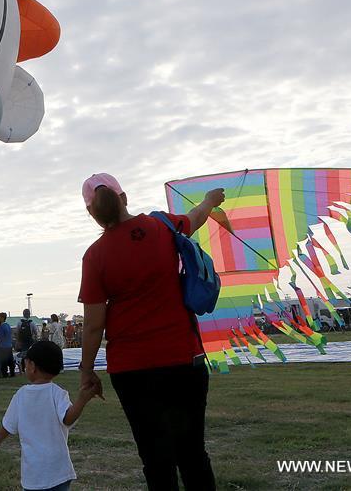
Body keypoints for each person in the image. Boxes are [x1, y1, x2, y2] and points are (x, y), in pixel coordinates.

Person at [78, 173, 224, 491]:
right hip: (183, 358)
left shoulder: (95, 256)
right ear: (124, 197)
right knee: (192, 453)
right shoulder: (162, 226)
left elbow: (92, 325)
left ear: (91, 213)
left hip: (132, 371)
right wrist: (210, 201)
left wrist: (86, 370)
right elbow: (195, 218)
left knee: (156, 458)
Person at [0, 341, 95, 491]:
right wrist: (82, 400)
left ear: (31, 366)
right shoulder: (57, 393)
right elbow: (68, 419)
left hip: (34, 474)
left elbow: (8, 425)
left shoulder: (21, 395)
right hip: (59, 470)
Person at [15, 309, 39, 373]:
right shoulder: (32, 322)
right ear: (29, 314)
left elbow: (17, 332)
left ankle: (23, 368)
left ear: (23, 314)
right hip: (30, 340)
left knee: (23, 354)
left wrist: (18, 341)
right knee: (31, 354)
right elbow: (36, 332)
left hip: (22, 341)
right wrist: (36, 339)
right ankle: (31, 367)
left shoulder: (19, 322)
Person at [0, 313, 16, 378]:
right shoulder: (8, 325)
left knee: (3, 361)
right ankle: (12, 373)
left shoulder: (1, 326)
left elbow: (1, 337)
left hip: (3, 346)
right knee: (10, 360)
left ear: (2, 318)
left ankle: (5, 374)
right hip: (9, 345)